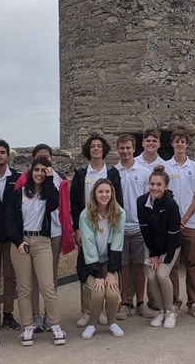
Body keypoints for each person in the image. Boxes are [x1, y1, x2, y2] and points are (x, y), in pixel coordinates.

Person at [7, 157, 67, 347]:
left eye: (44, 170)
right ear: (30, 171)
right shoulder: (19, 193)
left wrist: (50, 180)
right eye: (37, 170)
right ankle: (28, 327)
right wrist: (18, 241)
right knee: (24, 288)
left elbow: (53, 205)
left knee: (47, 285)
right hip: (22, 241)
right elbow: (10, 219)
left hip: (42, 241)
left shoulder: (49, 192)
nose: (39, 173)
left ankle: (55, 324)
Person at [70, 135, 123, 328]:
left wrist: (117, 223)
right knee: (88, 265)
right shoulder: (81, 174)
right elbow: (75, 203)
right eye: (92, 146)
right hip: (87, 225)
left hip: (108, 224)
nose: (96, 149)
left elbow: (118, 200)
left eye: (99, 146)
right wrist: (77, 228)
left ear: (104, 149)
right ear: (88, 150)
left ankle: (102, 311)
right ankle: (86, 311)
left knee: (108, 264)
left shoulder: (113, 173)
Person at [164, 129, 195, 318]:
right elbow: (161, 195)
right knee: (172, 265)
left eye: (183, 141)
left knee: (192, 264)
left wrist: (185, 218)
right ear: (172, 144)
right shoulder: (164, 167)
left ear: (187, 144)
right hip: (170, 224)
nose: (180, 144)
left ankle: (194, 302)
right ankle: (174, 302)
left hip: (191, 222)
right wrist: (174, 220)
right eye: (176, 142)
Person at [77, 178, 126, 339]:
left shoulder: (119, 213)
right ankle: (92, 324)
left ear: (112, 193)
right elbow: (88, 246)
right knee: (98, 293)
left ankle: (112, 323)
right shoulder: (85, 215)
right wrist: (98, 275)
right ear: (94, 194)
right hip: (90, 263)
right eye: (100, 191)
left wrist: (111, 272)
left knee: (112, 293)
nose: (104, 195)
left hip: (109, 261)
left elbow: (117, 243)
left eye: (107, 191)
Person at [114, 134, 153, 321]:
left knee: (139, 266)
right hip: (120, 227)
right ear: (117, 149)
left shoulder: (144, 172)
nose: (125, 151)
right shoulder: (113, 172)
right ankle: (124, 303)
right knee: (123, 267)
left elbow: (149, 200)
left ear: (134, 148)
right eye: (122, 148)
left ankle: (140, 303)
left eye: (128, 148)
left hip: (139, 227)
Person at [137, 169, 182, 328]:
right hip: (152, 247)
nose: (155, 188)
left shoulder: (171, 204)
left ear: (166, 186)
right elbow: (145, 230)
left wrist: (165, 255)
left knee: (162, 274)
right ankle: (161, 311)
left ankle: (171, 311)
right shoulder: (141, 202)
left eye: (159, 184)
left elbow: (173, 233)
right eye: (152, 184)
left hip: (171, 246)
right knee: (150, 275)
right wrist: (154, 255)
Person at [0, 139, 21, 330]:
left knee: (10, 275)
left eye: (2, 152)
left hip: (11, 236)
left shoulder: (18, 176)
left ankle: (8, 313)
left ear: (8, 155)